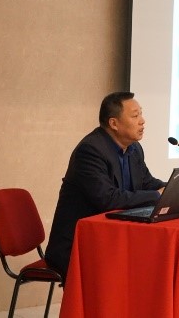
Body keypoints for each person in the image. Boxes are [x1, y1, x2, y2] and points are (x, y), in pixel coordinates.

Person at [44, 91, 165, 281]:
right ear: (114, 123)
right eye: (135, 116)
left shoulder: (133, 148)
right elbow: (107, 199)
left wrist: (173, 188)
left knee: (152, 261)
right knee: (137, 267)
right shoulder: (90, 151)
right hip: (78, 246)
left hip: (112, 239)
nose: (142, 121)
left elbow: (147, 182)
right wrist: (157, 195)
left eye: (141, 114)